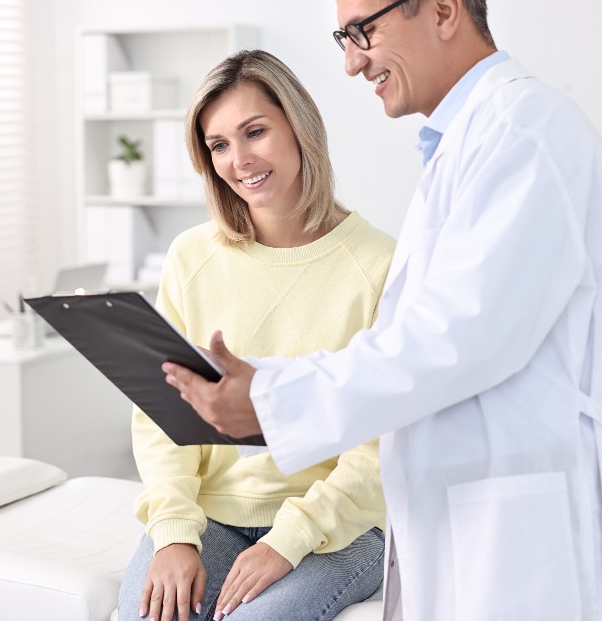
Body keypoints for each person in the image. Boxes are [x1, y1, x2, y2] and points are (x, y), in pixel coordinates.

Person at [162, 0, 602, 620]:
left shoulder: (525, 133)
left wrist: (276, 399)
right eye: (343, 38)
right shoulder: (468, 145)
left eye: (362, 32)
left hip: (525, 532)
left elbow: (454, 339)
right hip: (472, 515)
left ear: (443, 8)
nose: (350, 62)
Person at [116, 50, 395, 621]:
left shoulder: (380, 264)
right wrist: (172, 531)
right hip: (212, 513)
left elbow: (381, 446)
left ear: (299, 126)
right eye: (218, 145)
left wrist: (288, 539)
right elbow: (160, 413)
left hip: (339, 528)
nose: (239, 160)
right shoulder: (192, 257)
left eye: (255, 131)